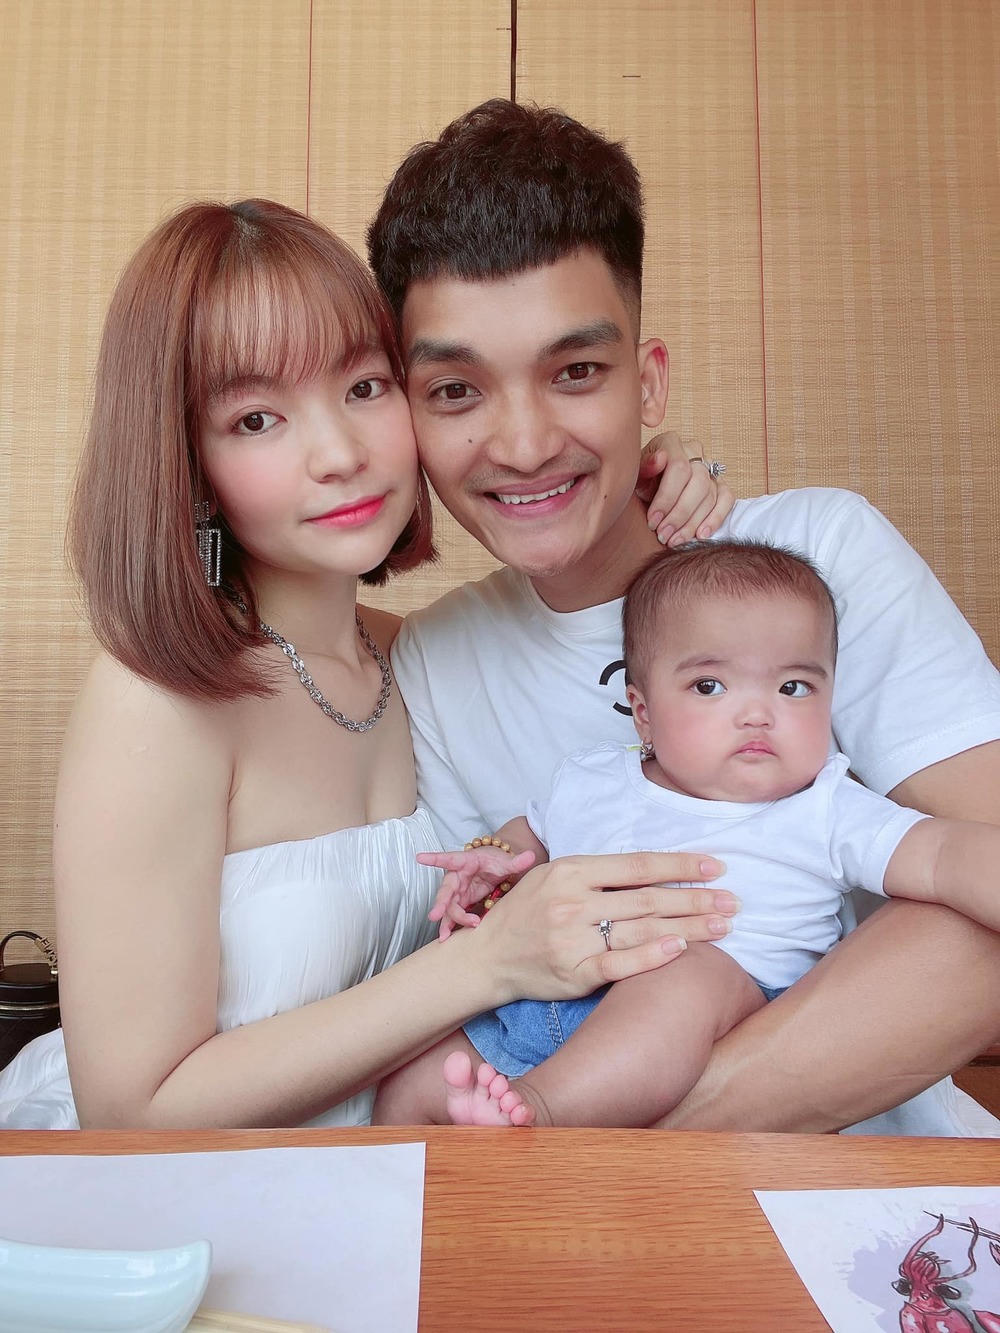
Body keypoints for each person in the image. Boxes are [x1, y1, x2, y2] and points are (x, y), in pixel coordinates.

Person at [0, 198, 735, 1130]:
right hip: (182, 1195)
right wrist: (485, 962)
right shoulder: (157, 702)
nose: (340, 454)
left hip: (399, 1167)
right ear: (186, 463)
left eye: (363, 387)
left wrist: (649, 478)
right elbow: (132, 1111)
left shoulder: (421, 655)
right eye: (257, 418)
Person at [368, 99, 1000, 1136]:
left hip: (852, 1177)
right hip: (541, 1155)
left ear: (647, 383)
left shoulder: (819, 555)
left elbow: (980, 912)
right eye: (455, 391)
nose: (522, 444)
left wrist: (590, 1149)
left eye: (576, 372)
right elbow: (482, 957)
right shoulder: (437, 662)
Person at [374, 541, 1000, 1128]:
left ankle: (542, 1112)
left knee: (682, 975)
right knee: (416, 1072)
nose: (757, 713)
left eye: (793, 687)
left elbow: (942, 855)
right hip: (548, 998)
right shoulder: (593, 778)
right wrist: (495, 859)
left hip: (715, 1016)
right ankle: (409, 1174)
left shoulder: (826, 806)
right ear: (643, 712)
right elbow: (532, 833)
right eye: (709, 686)